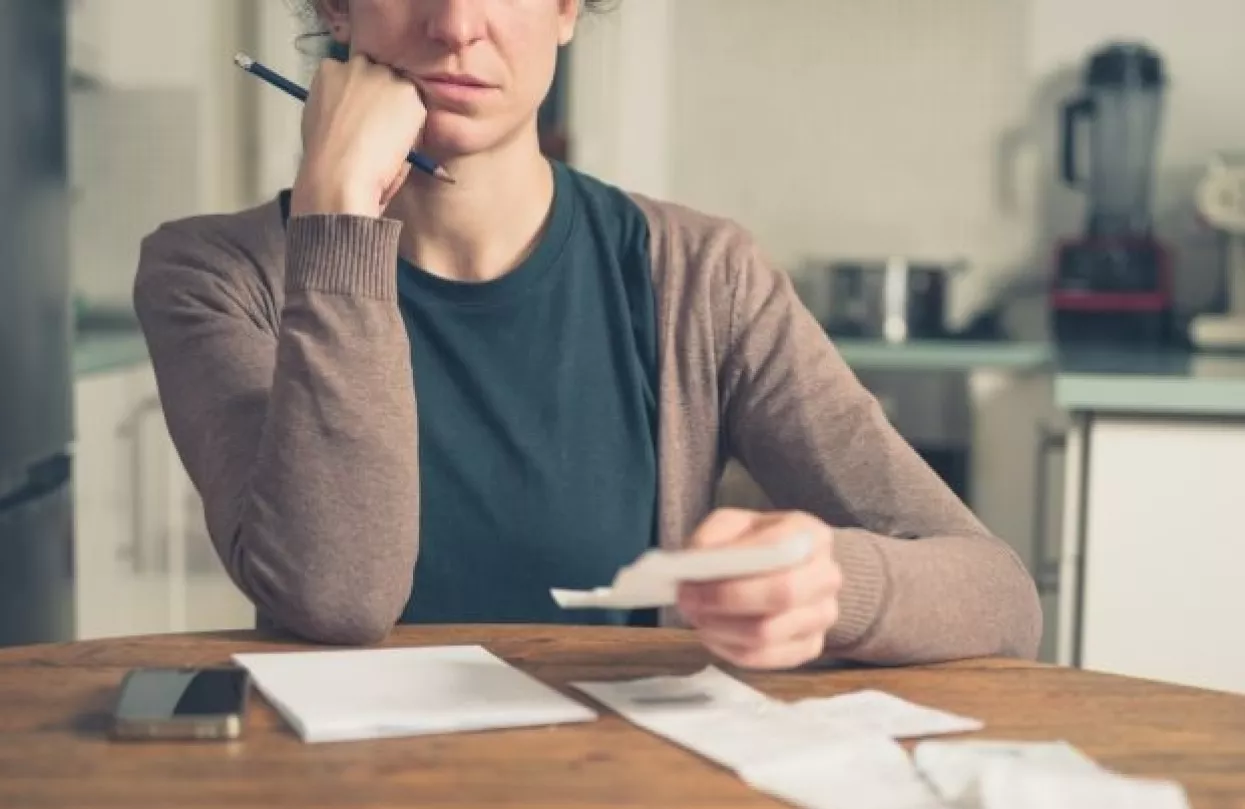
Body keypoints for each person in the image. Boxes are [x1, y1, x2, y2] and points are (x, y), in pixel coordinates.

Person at [133, 0, 1041, 671]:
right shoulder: (210, 274)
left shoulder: (701, 275)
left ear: (568, 9)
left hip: (618, 785)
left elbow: (999, 597)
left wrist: (832, 583)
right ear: (336, 7)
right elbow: (338, 598)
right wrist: (336, 217)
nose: (456, 24)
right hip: (330, 798)